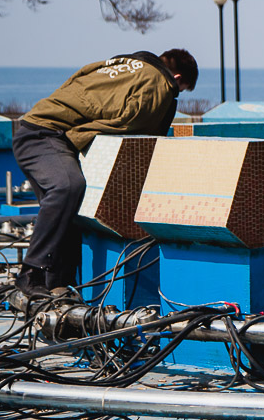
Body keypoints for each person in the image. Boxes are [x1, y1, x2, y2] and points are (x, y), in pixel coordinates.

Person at [12, 49, 198, 295]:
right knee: (68, 187)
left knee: (65, 214)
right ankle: (31, 273)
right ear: (176, 77)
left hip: (32, 127)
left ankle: (56, 287)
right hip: (46, 135)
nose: (176, 95)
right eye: (181, 90)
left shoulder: (118, 63)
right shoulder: (159, 83)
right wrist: (79, 136)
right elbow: (132, 125)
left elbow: (73, 87)